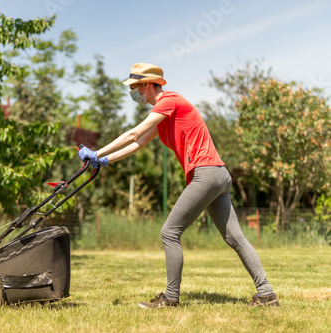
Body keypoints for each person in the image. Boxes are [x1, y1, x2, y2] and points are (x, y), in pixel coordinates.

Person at [78, 63, 279, 308]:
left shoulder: (169, 100)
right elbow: (138, 143)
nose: (132, 92)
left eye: (134, 86)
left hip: (205, 174)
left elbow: (133, 133)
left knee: (169, 233)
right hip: (218, 174)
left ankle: (171, 298)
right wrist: (106, 159)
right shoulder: (162, 115)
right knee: (235, 237)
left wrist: (97, 151)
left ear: (147, 84)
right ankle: (266, 294)